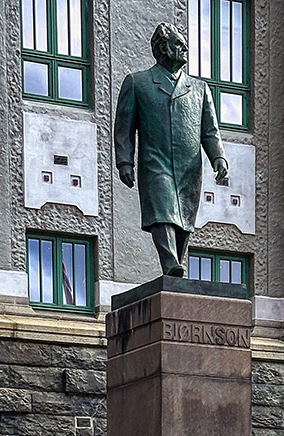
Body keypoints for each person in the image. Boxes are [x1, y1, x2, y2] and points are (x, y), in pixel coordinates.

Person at [114, 23, 228, 277]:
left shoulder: (199, 89)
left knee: (184, 219)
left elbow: (209, 130)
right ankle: (170, 264)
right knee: (162, 210)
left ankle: (175, 268)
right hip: (155, 161)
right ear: (162, 48)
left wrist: (218, 157)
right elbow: (124, 127)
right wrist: (124, 162)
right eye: (178, 43)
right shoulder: (138, 82)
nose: (185, 47)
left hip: (189, 166)